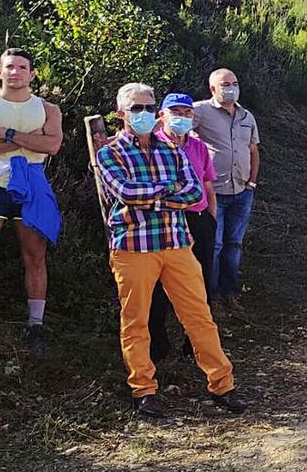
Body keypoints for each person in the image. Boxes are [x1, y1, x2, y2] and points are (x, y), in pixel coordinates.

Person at [98, 83, 247, 418]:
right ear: (122, 114)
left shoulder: (173, 151)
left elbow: (195, 195)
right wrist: (168, 192)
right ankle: (144, 390)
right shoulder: (110, 153)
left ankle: (222, 385)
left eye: (149, 107)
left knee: (199, 316)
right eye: (137, 109)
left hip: (177, 243)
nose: (145, 114)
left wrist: (154, 195)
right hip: (134, 247)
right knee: (136, 321)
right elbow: (126, 192)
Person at [0, 48, 62, 355]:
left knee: (35, 255)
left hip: (32, 184)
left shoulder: (49, 109)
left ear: (32, 74)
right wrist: (28, 137)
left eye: (22, 67)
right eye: (9, 66)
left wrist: (6, 135)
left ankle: (35, 326)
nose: (15, 72)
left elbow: (53, 144)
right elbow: (40, 142)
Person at [148, 93, 218, 365]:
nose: (182, 117)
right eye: (175, 111)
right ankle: (159, 343)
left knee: (203, 281)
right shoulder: (153, 145)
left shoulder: (198, 146)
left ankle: (197, 345)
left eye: (187, 113)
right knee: (159, 284)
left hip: (199, 219)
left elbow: (208, 184)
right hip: (167, 219)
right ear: (162, 115)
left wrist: (211, 218)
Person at [193, 68, 259, 310]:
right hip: (215, 192)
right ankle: (212, 297)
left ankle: (230, 292)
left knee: (234, 244)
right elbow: (169, 126)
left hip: (242, 191)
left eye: (234, 82)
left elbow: (253, 150)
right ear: (213, 89)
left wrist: (252, 182)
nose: (230, 87)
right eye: (225, 84)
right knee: (215, 246)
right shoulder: (199, 111)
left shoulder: (246, 116)